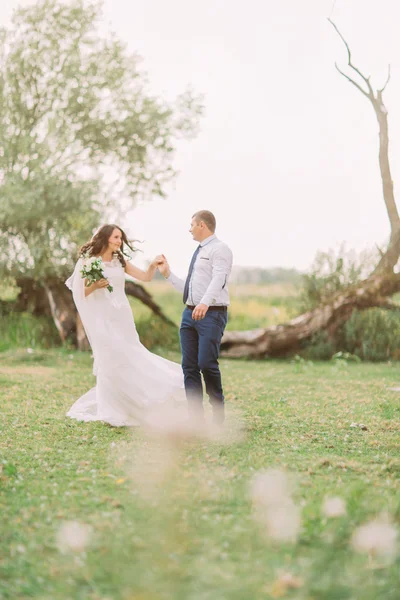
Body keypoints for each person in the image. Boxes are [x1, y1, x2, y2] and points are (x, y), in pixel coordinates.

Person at [65, 224, 184, 427]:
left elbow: (145, 277)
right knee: (109, 358)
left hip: (122, 316)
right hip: (102, 318)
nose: (119, 241)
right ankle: (111, 407)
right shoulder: (89, 262)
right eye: (116, 237)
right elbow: (79, 293)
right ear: (105, 238)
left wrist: (153, 266)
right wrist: (95, 285)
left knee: (130, 354)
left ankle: (135, 403)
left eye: (121, 238)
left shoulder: (120, 261)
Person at [158, 210, 233, 425]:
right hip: (189, 314)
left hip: (212, 314)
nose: (189, 229)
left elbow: (220, 278)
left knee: (206, 363)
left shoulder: (221, 249)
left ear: (202, 225)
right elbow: (189, 290)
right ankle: (195, 420)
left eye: (191, 225)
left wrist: (204, 303)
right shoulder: (198, 252)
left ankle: (218, 415)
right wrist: (168, 274)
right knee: (189, 366)